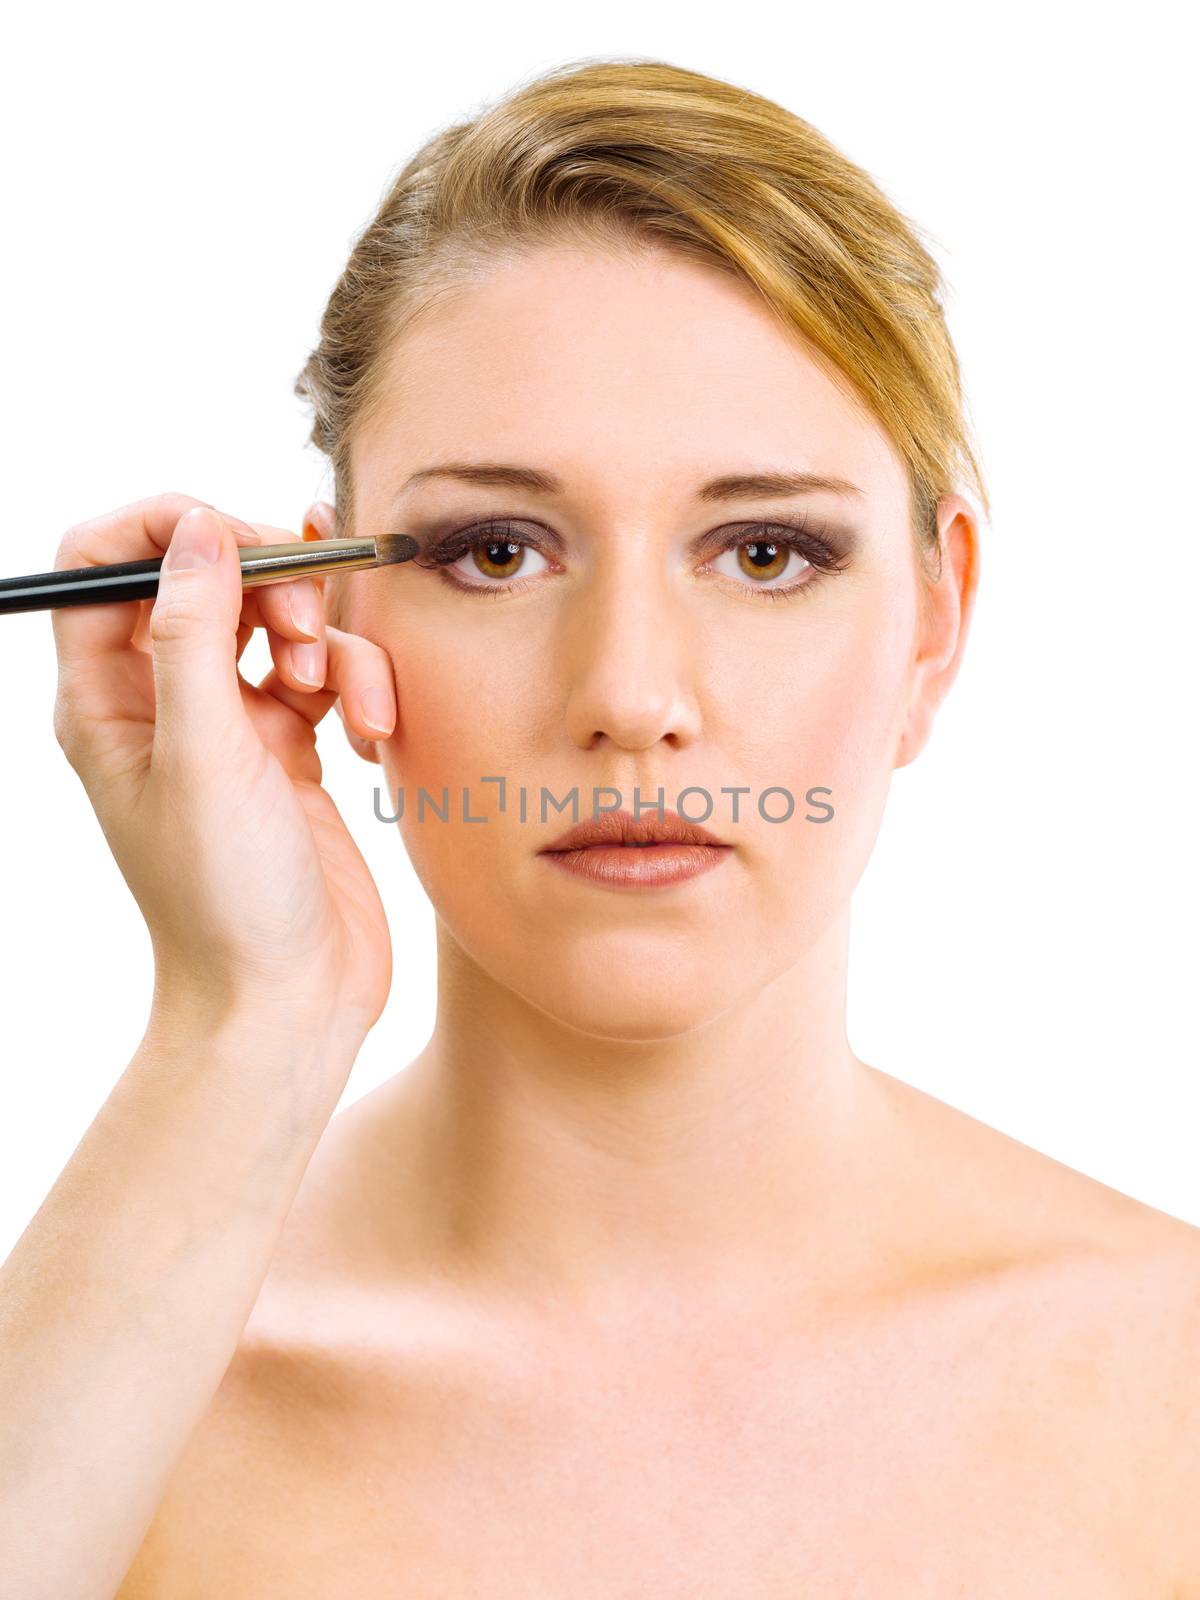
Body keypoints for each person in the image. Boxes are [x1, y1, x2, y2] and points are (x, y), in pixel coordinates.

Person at [3, 55, 1198, 1597]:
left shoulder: (1167, 1385)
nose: (631, 696)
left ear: (935, 624)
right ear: (326, 608)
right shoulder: (108, 1412)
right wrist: (246, 1022)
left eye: (764, 552)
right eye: (499, 551)